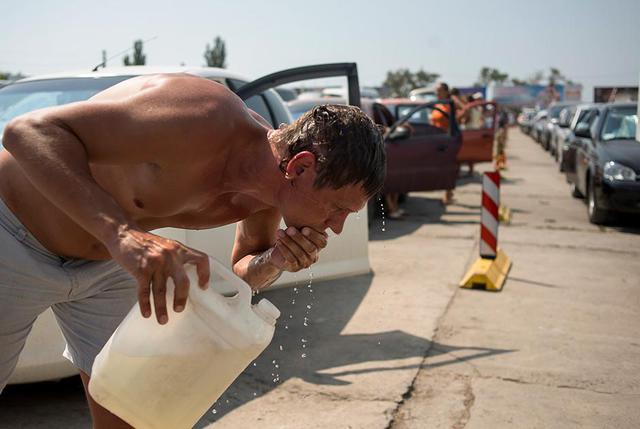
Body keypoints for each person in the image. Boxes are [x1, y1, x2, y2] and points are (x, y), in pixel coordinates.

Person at [0, 74, 386, 428]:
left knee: (134, 415)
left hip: (107, 263)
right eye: (338, 208)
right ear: (301, 167)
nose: (336, 226)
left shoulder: (267, 197)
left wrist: (276, 261)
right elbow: (27, 131)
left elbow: (241, 277)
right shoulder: (202, 117)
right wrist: (123, 234)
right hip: (13, 234)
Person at [431, 82, 455, 205]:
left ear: (446, 91)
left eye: (439, 90)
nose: (437, 93)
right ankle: (448, 193)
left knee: (447, 168)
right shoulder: (438, 104)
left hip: (446, 139)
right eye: (436, 90)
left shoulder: (449, 105)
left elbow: (458, 119)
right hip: (436, 138)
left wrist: (454, 98)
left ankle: (448, 195)